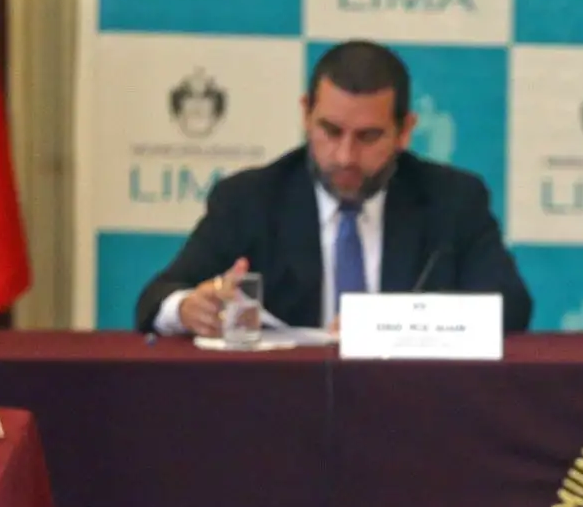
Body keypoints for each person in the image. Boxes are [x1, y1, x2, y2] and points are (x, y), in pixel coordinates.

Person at [135, 41, 532, 337]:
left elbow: (510, 307)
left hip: (413, 409)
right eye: (330, 130)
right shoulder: (251, 199)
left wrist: (382, 324)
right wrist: (188, 308)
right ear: (306, 114)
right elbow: (157, 297)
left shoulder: (453, 200)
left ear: (405, 131)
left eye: (368, 136)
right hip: (279, 409)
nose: (345, 156)